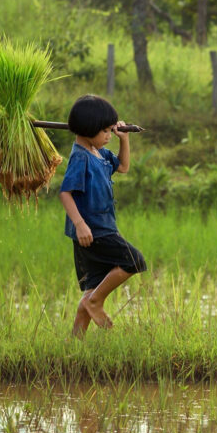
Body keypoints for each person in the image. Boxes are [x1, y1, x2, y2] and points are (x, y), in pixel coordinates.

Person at [59, 94, 146, 337]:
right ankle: (96, 302)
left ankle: (76, 343)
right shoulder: (81, 157)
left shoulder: (99, 152)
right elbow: (65, 193)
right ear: (88, 129)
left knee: (91, 289)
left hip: (102, 226)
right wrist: (80, 225)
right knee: (134, 261)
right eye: (105, 131)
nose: (109, 136)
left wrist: (123, 139)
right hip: (93, 230)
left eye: (111, 130)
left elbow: (124, 167)